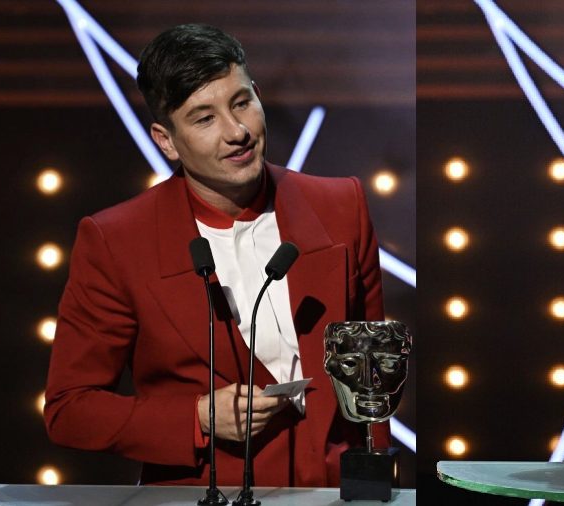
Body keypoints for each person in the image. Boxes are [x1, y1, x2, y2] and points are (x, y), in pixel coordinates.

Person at [44, 24, 386, 487]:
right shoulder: (117, 240)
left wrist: (375, 486)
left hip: (336, 492)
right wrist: (197, 417)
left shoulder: (341, 206)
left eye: (242, 102)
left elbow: (375, 375)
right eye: (204, 119)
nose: (237, 132)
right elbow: (71, 408)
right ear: (165, 140)